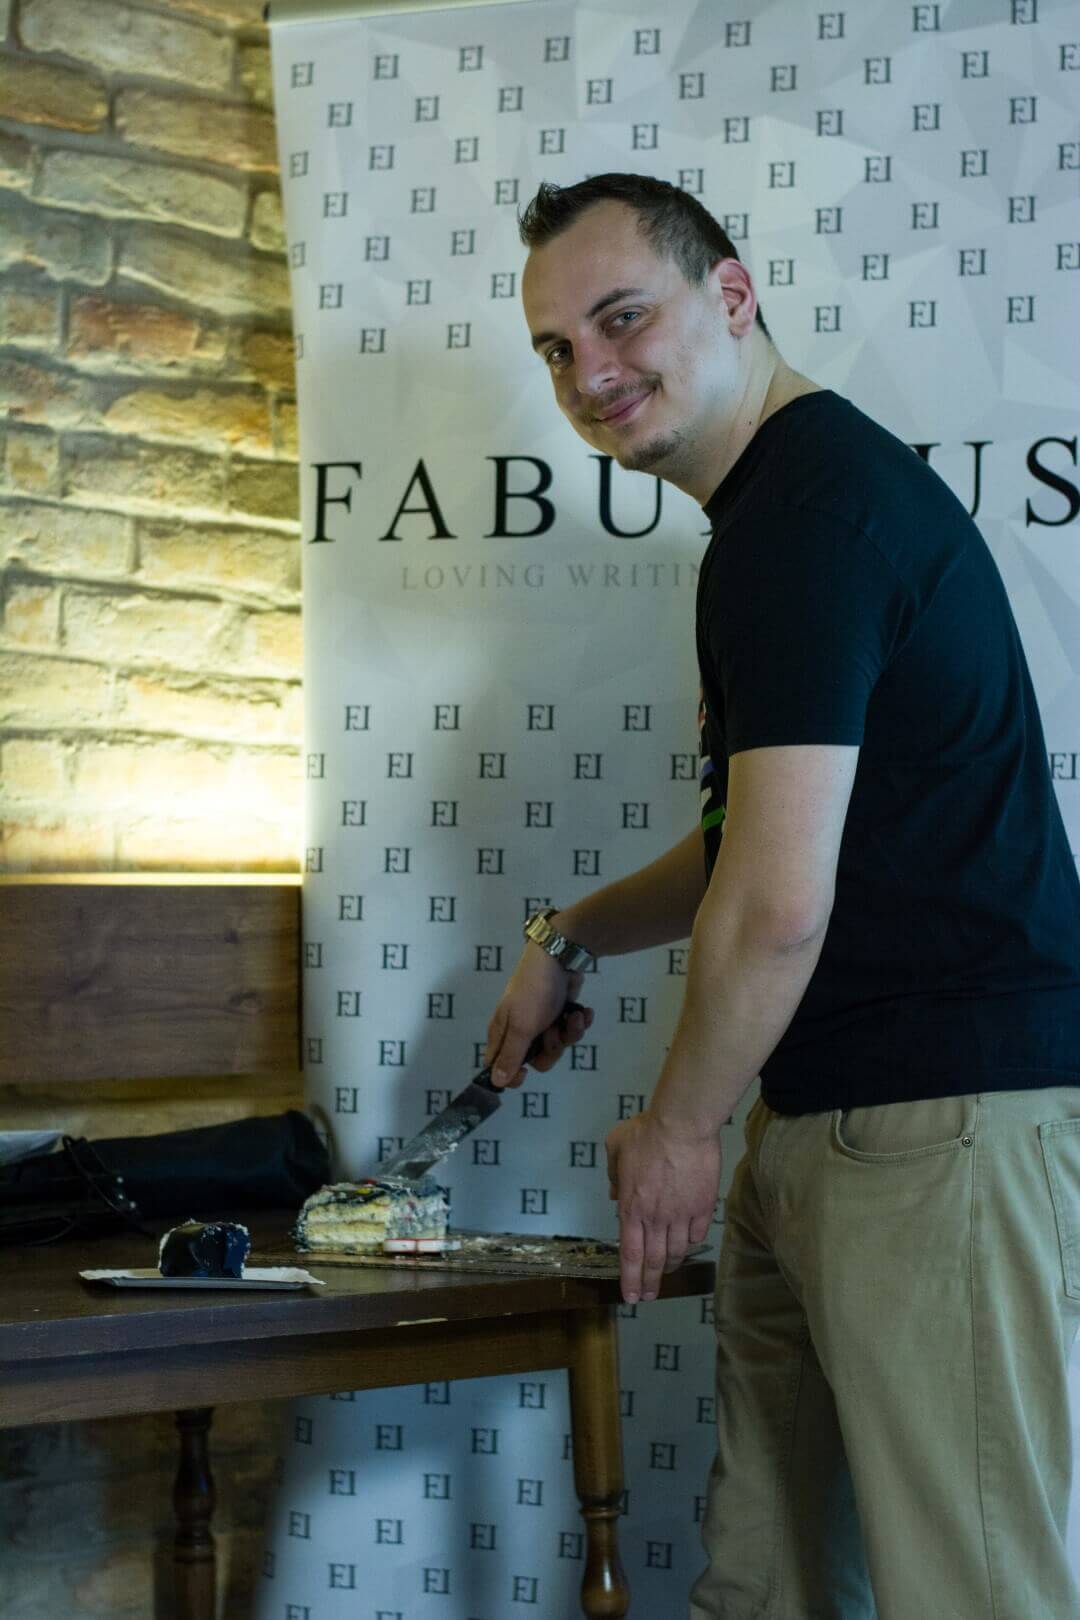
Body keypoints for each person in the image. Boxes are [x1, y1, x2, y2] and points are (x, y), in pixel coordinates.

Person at [481, 173, 1080, 1620]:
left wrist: (679, 1129)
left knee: (973, 1593)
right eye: (557, 347)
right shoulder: (783, 514)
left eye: (622, 318)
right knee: (767, 1588)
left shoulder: (806, 519)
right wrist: (571, 937)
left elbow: (776, 906)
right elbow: (760, 839)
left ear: (734, 296)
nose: (589, 372)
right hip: (830, 1124)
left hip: (938, 1129)